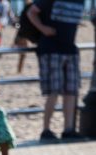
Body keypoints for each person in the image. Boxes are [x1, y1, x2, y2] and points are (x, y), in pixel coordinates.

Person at [27, 0, 83, 142]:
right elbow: (31, 12)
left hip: (70, 48)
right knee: (54, 90)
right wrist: (43, 28)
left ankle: (68, 129)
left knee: (71, 90)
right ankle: (46, 129)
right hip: (51, 48)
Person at [13, 0, 41, 74]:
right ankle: (19, 70)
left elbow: (20, 25)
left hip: (22, 34)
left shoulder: (26, 8)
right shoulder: (30, 8)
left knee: (22, 54)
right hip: (24, 34)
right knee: (23, 54)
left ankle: (19, 70)